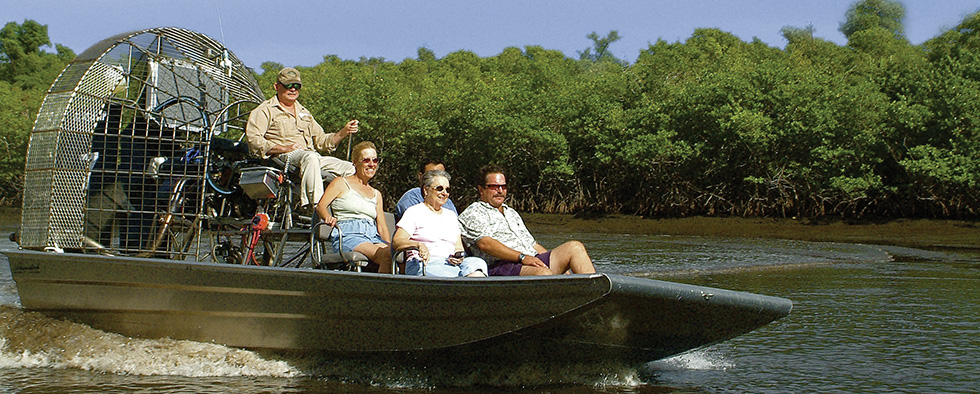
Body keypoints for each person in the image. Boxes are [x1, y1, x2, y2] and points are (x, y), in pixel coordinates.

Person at [245, 66, 358, 209]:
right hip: (284, 157)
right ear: (277, 86)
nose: (293, 89)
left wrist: (344, 132)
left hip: (311, 157)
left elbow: (322, 141)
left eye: (297, 86)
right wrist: (283, 147)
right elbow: (254, 139)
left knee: (351, 169)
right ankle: (316, 207)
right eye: (288, 86)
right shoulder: (265, 110)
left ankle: (347, 209)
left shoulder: (304, 112)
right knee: (310, 157)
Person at [458, 164, 596, 276]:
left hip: (529, 260)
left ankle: (596, 297)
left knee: (574, 247)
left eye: (504, 187)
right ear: (481, 189)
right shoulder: (473, 212)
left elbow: (532, 244)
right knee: (543, 273)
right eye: (494, 187)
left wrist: (560, 264)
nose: (500, 190)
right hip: (502, 265)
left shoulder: (511, 212)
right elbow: (486, 244)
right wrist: (522, 257)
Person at [393, 170, 487, 277]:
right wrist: (418, 245)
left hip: (450, 264)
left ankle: (465, 286)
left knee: (477, 263)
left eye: (447, 190)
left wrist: (458, 256)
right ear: (426, 190)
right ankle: (463, 286)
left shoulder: (450, 215)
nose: (444, 193)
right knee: (454, 275)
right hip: (425, 262)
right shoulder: (414, 212)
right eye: (439, 188)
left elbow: (458, 247)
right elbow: (397, 241)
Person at [315, 141, 392, 273]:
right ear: (355, 162)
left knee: (399, 255)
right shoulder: (340, 183)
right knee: (385, 255)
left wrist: (389, 246)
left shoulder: (376, 194)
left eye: (375, 160)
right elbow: (321, 206)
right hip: (349, 235)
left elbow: (382, 226)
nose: (371, 164)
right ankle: (382, 292)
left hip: (372, 236)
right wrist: (327, 217)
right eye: (366, 160)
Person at [394, 158, 457, 222]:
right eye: (432, 175)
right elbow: (417, 222)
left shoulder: (447, 202)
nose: (438, 178)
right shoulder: (411, 198)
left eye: (442, 174)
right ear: (420, 176)